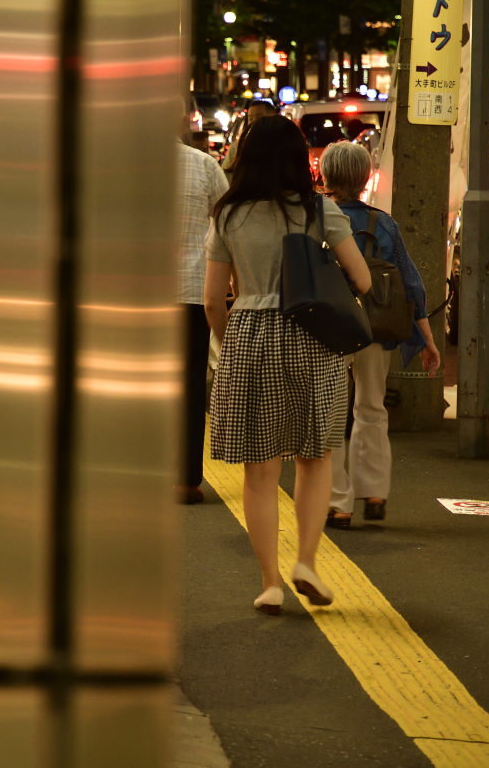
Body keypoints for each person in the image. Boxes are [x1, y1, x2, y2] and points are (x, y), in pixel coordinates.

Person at [202, 116, 371, 615]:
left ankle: (269, 582)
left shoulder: (228, 215)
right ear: (299, 159)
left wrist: (231, 342)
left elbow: (213, 299)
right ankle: (307, 563)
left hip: (250, 334)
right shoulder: (319, 210)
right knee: (315, 458)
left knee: (260, 470)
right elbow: (362, 280)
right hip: (313, 337)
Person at [318, 141, 441, 528]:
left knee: (331, 415)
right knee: (371, 408)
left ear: (326, 175)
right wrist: (427, 337)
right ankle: (373, 493)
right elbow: (411, 285)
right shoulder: (383, 224)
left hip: (329, 328)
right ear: (365, 177)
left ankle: (338, 503)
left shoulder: (316, 218)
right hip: (376, 327)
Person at [176, 108, 230, 505]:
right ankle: (184, 480)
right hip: (190, 290)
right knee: (190, 385)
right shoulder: (203, 166)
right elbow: (228, 222)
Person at [221, 99, 276, 178]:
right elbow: (226, 177)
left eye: (259, 117)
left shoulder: (282, 147)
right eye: (250, 118)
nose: (253, 121)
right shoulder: (237, 147)